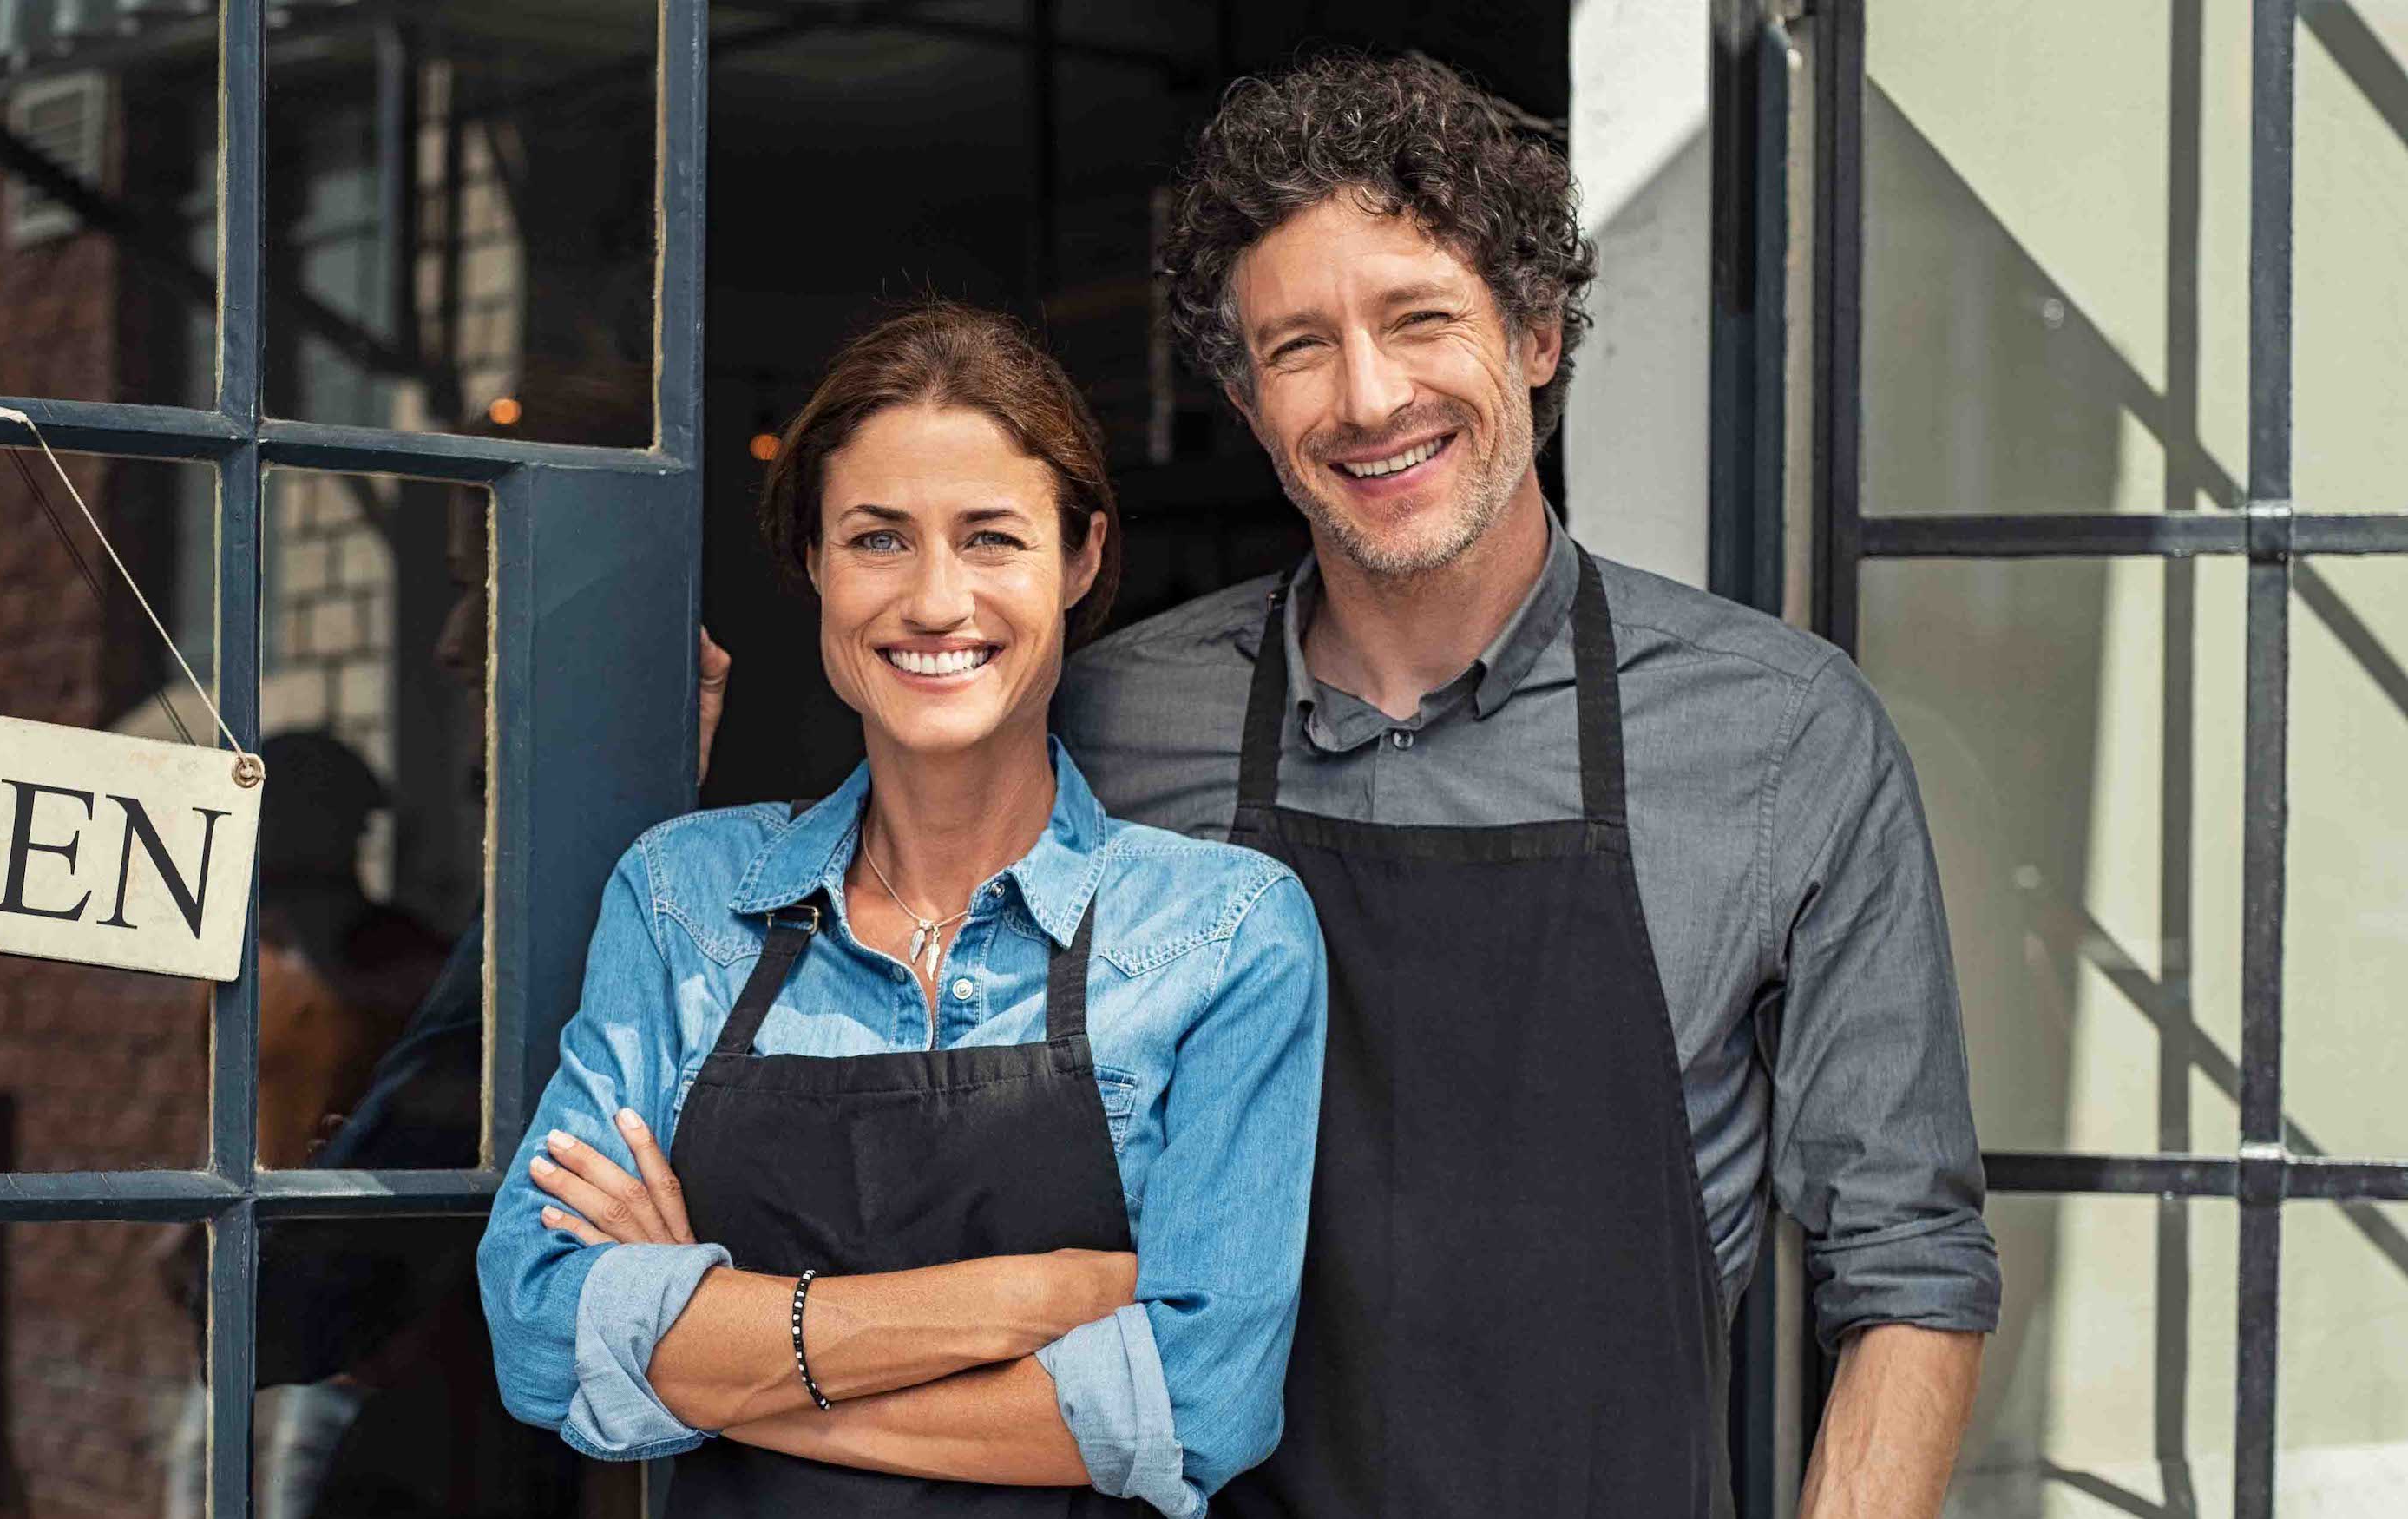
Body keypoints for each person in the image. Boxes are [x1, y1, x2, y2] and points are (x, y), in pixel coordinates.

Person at [1052, 52, 2000, 1519]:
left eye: (1420, 319)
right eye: (1299, 346)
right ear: (1246, 400)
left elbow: (1911, 1270)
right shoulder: (1116, 721)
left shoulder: (1780, 736)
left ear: (1540, 331)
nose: (1370, 398)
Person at [476, 302, 1327, 1518]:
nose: (935, 601)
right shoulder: (686, 898)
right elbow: (539, 1326)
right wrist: (1031, 1302)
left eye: (992, 539)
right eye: (878, 539)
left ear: (1081, 558)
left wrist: (705, 1347)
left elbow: (1200, 1402)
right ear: (815, 563)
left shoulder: (1223, 933)